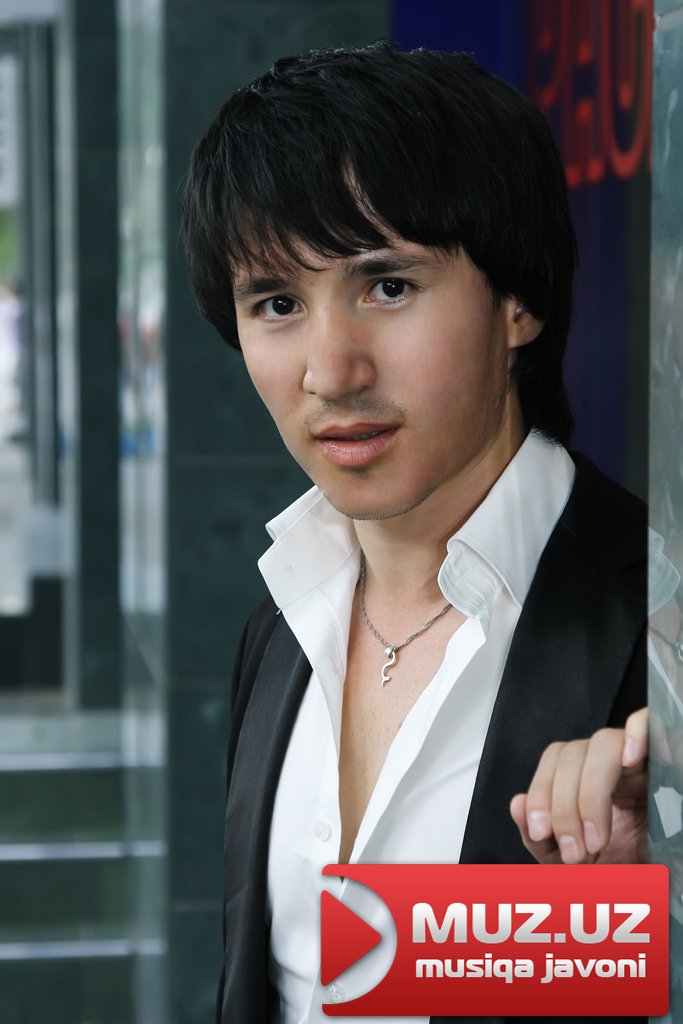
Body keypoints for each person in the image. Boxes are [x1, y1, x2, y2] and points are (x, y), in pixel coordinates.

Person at [182, 42, 648, 1024]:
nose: (330, 371)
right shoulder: (283, 622)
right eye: (277, 304)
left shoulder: (656, 620)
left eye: (386, 287)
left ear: (517, 301)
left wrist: (649, 919)